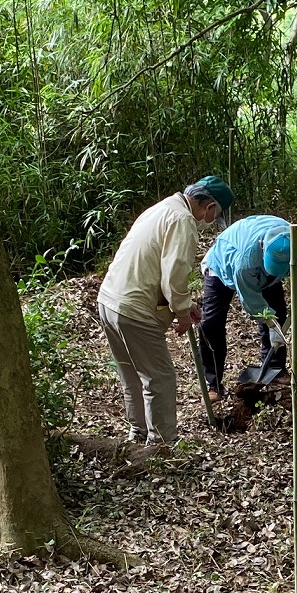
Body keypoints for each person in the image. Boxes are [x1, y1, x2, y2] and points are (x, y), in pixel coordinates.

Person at [97, 175, 234, 444]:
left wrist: (184, 305)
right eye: (214, 216)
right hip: (134, 308)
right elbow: (173, 276)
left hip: (109, 301)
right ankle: (162, 445)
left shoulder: (161, 208)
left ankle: (138, 433)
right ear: (209, 207)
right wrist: (182, 312)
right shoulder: (183, 220)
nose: (210, 222)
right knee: (159, 378)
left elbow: (155, 267)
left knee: (132, 375)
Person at [198, 215, 297, 401]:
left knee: (278, 313)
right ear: (262, 246)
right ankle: (213, 384)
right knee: (211, 325)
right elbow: (251, 300)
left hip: (264, 272)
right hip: (221, 267)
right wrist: (271, 324)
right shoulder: (244, 262)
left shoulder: (290, 237)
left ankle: (275, 370)